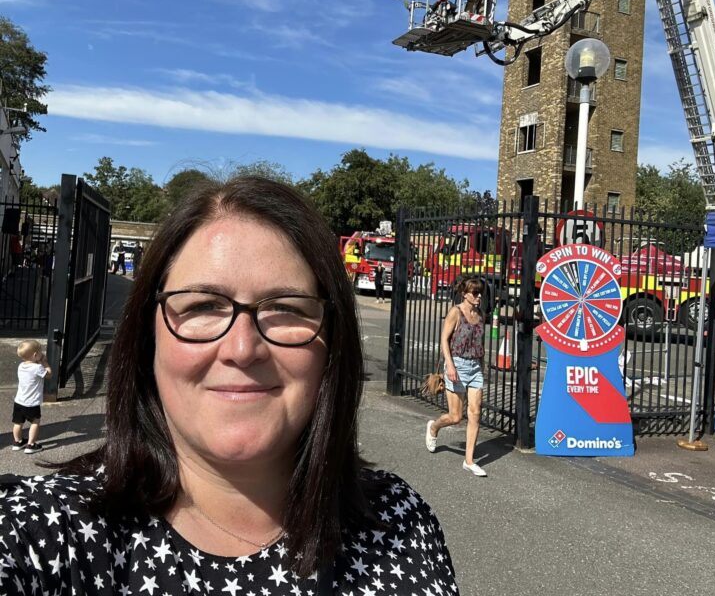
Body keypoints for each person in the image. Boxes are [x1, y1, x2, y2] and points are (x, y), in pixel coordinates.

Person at [0, 176, 459, 595]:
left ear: (331, 346)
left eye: (286, 307)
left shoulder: (401, 524)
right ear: (147, 339)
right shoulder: (41, 535)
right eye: (202, 306)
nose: (242, 348)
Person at [425, 276, 487, 476]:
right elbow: (444, 340)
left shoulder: (481, 314)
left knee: (475, 412)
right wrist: (450, 365)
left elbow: (480, 343)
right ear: (465, 294)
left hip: (475, 366)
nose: (478, 297)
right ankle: (434, 428)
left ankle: (469, 460)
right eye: (475, 293)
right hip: (457, 364)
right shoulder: (455, 312)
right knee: (455, 416)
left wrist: (482, 365)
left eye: (480, 293)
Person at [10, 339, 52, 453]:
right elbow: (49, 374)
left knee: (18, 423)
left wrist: (37, 361)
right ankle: (31, 445)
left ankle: (17, 442)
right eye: (40, 352)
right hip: (31, 403)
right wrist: (45, 363)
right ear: (35, 355)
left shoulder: (21, 366)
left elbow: (32, 367)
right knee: (35, 422)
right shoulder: (38, 368)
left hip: (19, 402)